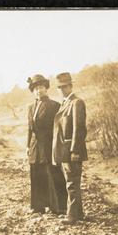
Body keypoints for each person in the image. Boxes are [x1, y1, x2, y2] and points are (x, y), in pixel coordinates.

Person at [26, 74, 67, 214]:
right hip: (34, 146)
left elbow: (58, 128)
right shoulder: (30, 107)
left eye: (41, 87)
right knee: (36, 173)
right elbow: (29, 129)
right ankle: (38, 206)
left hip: (49, 145)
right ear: (33, 90)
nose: (39, 90)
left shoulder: (54, 105)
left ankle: (59, 206)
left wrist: (58, 146)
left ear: (46, 88)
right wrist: (27, 146)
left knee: (52, 173)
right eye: (36, 88)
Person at [52, 72, 88, 224]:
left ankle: (72, 216)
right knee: (71, 182)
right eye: (59, 87)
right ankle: (78, 214)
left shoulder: (76, 102)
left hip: (71, 151)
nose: (61, 90)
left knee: (72, 184)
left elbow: (79, 129)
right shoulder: (65, 103)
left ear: (70, 86)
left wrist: (75, 150)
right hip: (64, 151)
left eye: (64, 86)